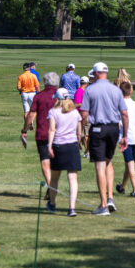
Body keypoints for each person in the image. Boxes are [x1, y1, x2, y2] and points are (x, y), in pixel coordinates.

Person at [79, 63, 128, 216]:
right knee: (108, 162)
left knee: (100, 165)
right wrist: (125, 135)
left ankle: (103, 205)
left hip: (98, 129)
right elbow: (125, 114)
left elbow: (84, 114)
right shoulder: (116, 89)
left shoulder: (90, 89)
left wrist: (80, 130)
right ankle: (111, 197)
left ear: (96, 73)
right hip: (114, 129)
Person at [46, 88, 82, 216]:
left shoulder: (53, 112)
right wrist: (79, 142)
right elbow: (79, 131)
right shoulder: (75, 112)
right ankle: (71, 208)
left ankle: (52, 203)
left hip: (58, 146)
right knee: (72, 178)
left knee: (55, 178)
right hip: (72, 146)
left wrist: (49, 146)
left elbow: (51, 130)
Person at [21, 72, 59, 190]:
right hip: (60, 133)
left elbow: (31, 116)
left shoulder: (39, 96)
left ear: (45, 82)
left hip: (43, 132)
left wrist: (24, 130)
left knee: (45, 160)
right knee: (56, 162)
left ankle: (50, 186)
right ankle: (53, 186)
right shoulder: (61, 96)